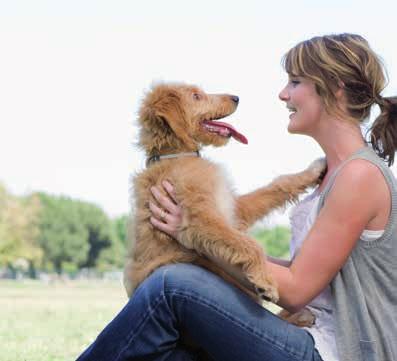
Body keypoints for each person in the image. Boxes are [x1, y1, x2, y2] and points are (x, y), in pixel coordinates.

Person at [76, 33, 397, 361]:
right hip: (306, 335)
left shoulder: (359, 176)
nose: (283, 93)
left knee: (170, 285)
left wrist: (196, 235)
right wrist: (199, 239)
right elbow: (306, 274)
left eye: (295, 81)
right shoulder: (336, 173)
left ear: (335, 87)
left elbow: (297, 289)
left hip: (335, 352)